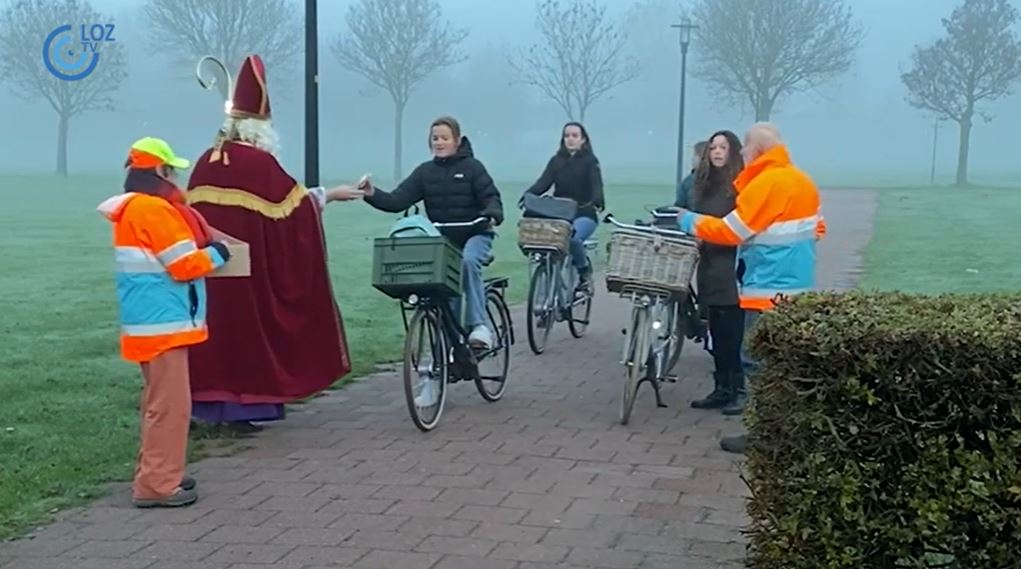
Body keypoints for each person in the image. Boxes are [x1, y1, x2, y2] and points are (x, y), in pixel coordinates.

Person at [184, 54, 361, 434]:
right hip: (248, 275)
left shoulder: (204, 161)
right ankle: (240, 409)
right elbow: (295, 214)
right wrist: (330, 195)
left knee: (211, 336)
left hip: (207, 269)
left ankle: (201, 405)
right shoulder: (260, 166)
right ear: (260, 127)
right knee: (245, 336)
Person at [674, 123, 825, 454]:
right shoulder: (803, 181)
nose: (740, 152)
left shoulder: (766, 183)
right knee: (785, 361)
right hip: (798, 283)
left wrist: (687, 220)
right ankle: (790, 430)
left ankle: (764, 434)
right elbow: (818, 227)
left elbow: (732, 231)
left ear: (756, 150)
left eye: (744, 146)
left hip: (767, 286)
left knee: (756, 360)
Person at [97, 137, 231, 508]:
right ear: (159, 171)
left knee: (159, 405)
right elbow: (185, 264)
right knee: (170, 408)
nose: (176, 178)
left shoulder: (133, 209)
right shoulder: (155, 211)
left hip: (148, 324)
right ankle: (157, 485)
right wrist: (218, 253)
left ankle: (159, 472)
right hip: (163, 326)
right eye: (172, 170)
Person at [359, 116, 504, 355]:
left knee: (467, 263)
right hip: (442, 242)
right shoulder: (425, 172)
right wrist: (372, 193)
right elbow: (397, 200)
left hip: (475, 233)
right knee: (444, 290)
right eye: (435, 138)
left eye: (444, 138)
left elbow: (491, 197)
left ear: (457, 140)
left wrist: (492, 214)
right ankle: (450, 346)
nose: (439, 142)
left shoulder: (473, 168)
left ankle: (479, 327)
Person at [686, 131, 746, 413]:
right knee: (715, 329)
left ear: (734, 151)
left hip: (730, 264)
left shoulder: (741, 185)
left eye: (723, 147)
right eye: (713, 147)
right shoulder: (702, 183)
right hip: (708, 262)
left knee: (731, 329)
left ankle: (738, 388)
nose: (717, 152)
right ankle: (721, 387)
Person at [521, 121, 605, 289]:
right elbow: (543, 182)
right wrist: (527, 196)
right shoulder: (556, 161)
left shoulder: (590, 162)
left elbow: (596, 185)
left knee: (573, 240)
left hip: (584, 214)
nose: (570, 139)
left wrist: (596, 201)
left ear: (583, 140)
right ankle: (553, 291)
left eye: (575, 136)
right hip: (560, 214)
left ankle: (584, 272)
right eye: (567, 136)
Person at [676, 140, 708, 208]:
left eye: (695, 155)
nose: (692, 159)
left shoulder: (689, 181)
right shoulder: (726, 179)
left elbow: (679, 207)